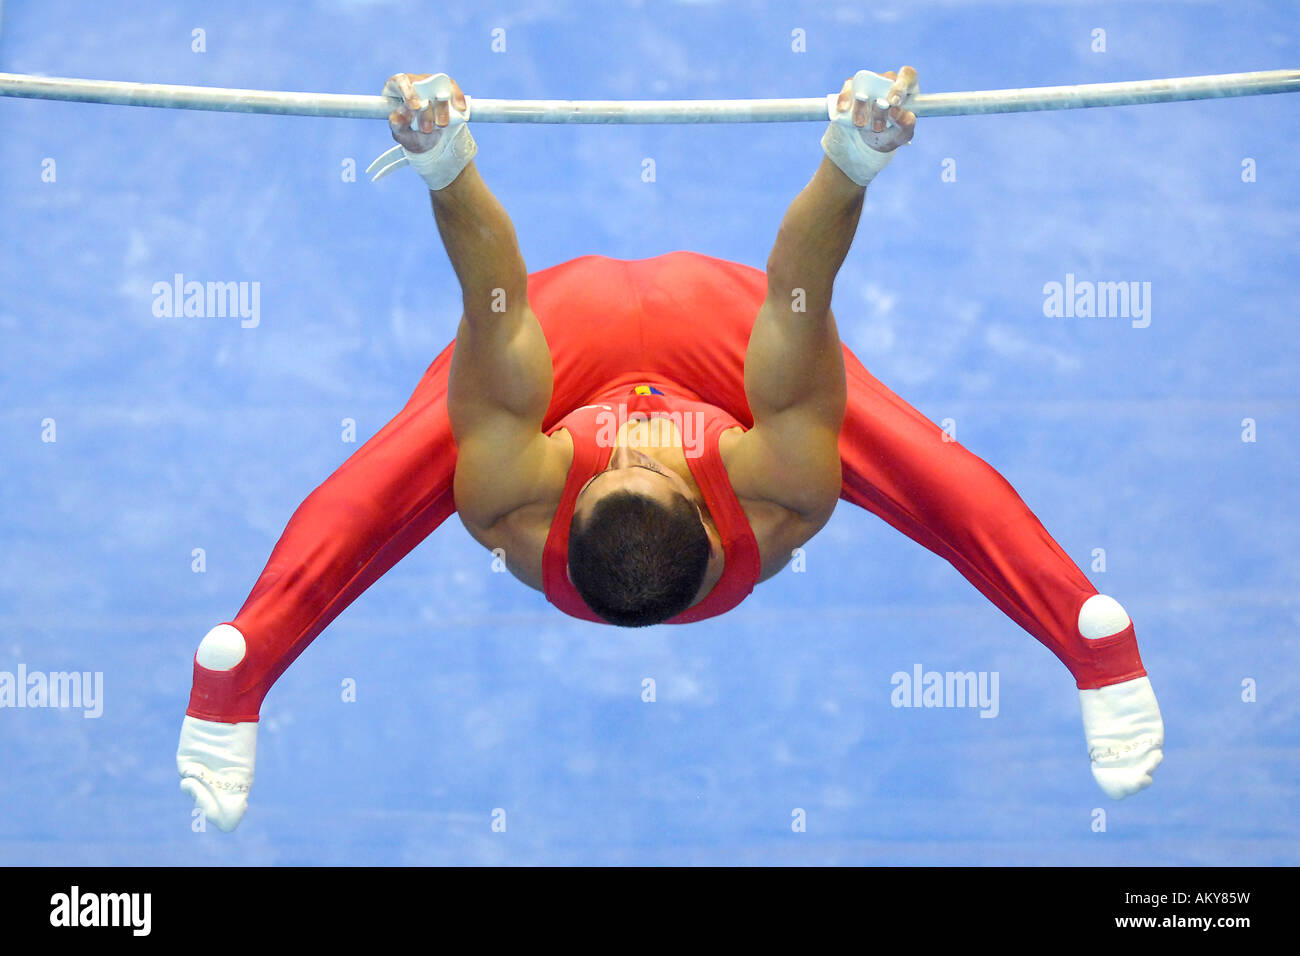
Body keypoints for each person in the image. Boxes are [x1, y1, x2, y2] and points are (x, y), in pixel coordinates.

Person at [177, 68, 1164, 831]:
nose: (637, 434)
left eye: (617, 457)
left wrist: (446, 162)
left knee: (401, 465)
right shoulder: (774, 490)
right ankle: (1096, 640)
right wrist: (853, 158)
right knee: (910, 455)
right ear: (707, 496)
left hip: (571, 334)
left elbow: (497, 304)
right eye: (651, 458)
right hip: (716, 330)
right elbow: (797, 294)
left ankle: (237, 666)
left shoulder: (517, 496)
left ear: (577, 483)